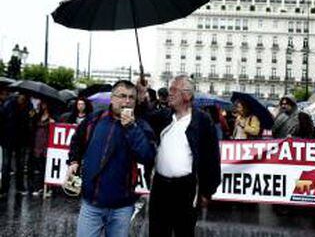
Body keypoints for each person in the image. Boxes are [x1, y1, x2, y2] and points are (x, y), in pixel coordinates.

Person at [66, 80, 156, 237]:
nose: (127, 101)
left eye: (131, 97)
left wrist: (131, 128)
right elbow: (76, 141)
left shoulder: (140, 125)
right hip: (91, 204)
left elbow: (147, 155)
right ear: (112, 98)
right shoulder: (95, 119)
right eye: (122, 96)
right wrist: (74, 161)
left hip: (122, 207)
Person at [148, 75, 221, 237]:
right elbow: (143, 119)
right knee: (157, 231)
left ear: (187, 95)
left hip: (186, 189)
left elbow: (212, 158)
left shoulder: (202, 120)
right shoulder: (164, 116)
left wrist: (207, 191)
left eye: (174, 90)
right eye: (169, 90)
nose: (169, 93)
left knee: (184, 231)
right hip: (160, 187)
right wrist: (140, 96)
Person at [0, 93, 34, 197]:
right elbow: (2, 120)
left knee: (20, 164)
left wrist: (32, 117)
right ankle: (4, 188)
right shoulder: (9, 104)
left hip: (21, 139)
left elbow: (29, 123)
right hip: (8, 138)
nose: (22, 99)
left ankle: (19, 187)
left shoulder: (29, 105)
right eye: (21, 97)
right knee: (6, 165)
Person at [28, 99, 55, 196]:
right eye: (41, 104)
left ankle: (46, 187)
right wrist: (31, 118)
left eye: (44, 103)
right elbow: (31, 128)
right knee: (37, 166)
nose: (43, 105)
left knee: (45, 166)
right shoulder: (37, 115)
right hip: (37, 142)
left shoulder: (52, 117)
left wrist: (53, 123)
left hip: (47, 143)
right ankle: (38, 186)